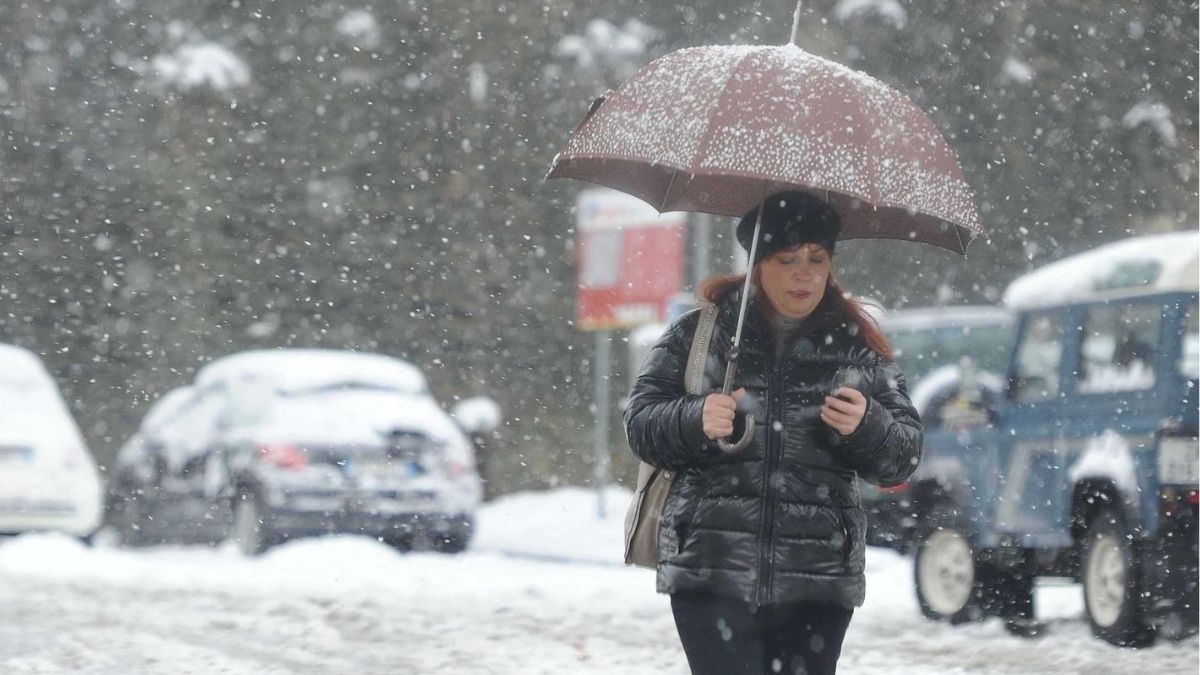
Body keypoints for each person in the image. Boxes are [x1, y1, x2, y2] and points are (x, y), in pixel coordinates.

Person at [624, 191, 923, 675]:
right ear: (758, 264)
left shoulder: (857, 349)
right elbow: (640, 423)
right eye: (788, 259)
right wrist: (693, 419)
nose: (805, 273)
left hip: (818, 580)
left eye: (817, 259)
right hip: (712, 571)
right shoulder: (701, 333)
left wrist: (868, 426)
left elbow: (904, 457)